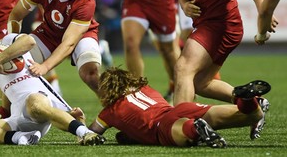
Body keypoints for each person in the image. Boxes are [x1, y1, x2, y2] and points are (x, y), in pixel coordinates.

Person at [0, 22, 106, 146]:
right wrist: (4, 116)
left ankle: (85, 133)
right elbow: (5, 95)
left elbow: (30, 41)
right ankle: (22, 138)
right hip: (19, 118)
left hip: (37, 103)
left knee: (34, 104)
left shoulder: (7, 41)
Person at [88, 67, 271, 147]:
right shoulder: (145, 88)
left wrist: (80, 123)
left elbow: (92, 132)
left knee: (184, 134)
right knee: (250, 116)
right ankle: (248, 100)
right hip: (179, 109)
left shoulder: (109, 112)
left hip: (162, 127)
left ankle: (195, 128)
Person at [8, 0, 101, 94]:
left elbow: (69, 43)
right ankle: (10, 112)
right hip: (49, 32)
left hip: (81, 35)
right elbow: (15, 16)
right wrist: (12, 44)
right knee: (15, 67)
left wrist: (45, 67)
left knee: (90, 73)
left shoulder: (85, 1)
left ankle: (115, 107)